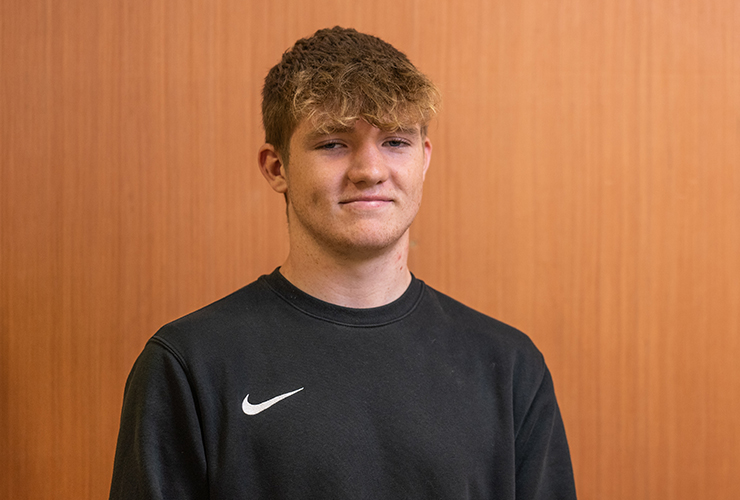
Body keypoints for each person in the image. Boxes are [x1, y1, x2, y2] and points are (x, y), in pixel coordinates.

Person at [109, 26, 576, 499]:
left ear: (424, 159)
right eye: (333, 143)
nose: (370, 170)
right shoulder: (190, 366)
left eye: (395, 141)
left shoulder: (510, 368)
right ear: (276, 167)